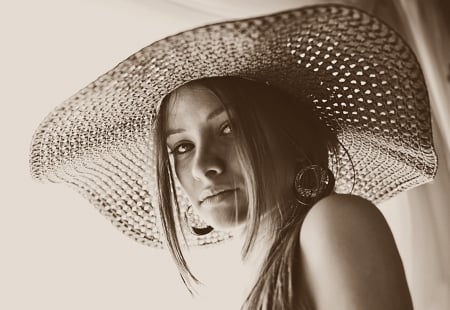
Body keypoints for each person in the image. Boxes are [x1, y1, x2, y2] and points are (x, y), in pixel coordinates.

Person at [30, 4, 437, 310]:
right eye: (182, 147)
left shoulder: (332, 221)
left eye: (228, 129)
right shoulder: (250, 278)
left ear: (291, 138)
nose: (204, 166)